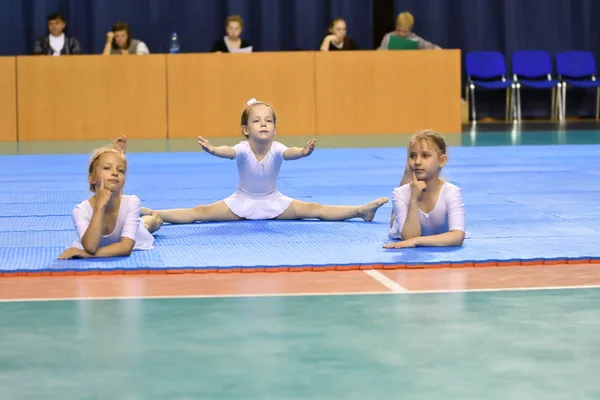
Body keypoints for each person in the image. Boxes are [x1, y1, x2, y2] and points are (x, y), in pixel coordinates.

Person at [144, 98, 388, 224]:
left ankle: (360, 211)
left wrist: (303, 152)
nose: (263, 124)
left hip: (274, 203)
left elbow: (289, 152)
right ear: (245, 129)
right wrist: (212, 150)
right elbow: (227, 151)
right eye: (257, 121)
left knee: (316, 209)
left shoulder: (277, 148)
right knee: (199, 212)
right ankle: (153, 212)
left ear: (275, 128)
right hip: (242, 203)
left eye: (268, 121)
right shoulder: (241, 149)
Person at [58, 137, 162, 259]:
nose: (115, 173)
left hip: (135, 233)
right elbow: (90, 247)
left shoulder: (133, 202)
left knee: (150, 223)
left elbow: (125, 247)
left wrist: (85, 255)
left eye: (121, 170)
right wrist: (100, 206)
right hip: (111, 218)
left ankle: (156, 215)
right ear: (92, 179)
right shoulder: (80, 211)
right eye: (107, 168)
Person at [384, 130, 465, 249]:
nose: (417, 161)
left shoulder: (452, 192)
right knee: (394, 219)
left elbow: (458, 236)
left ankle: (408, 174)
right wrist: (413, 199)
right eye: (412, 156)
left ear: (442, 161)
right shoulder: (400, 193)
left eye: (425, 156)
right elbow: (409, 238)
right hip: (403, 222)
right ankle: (407, 174)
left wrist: (418, 240)